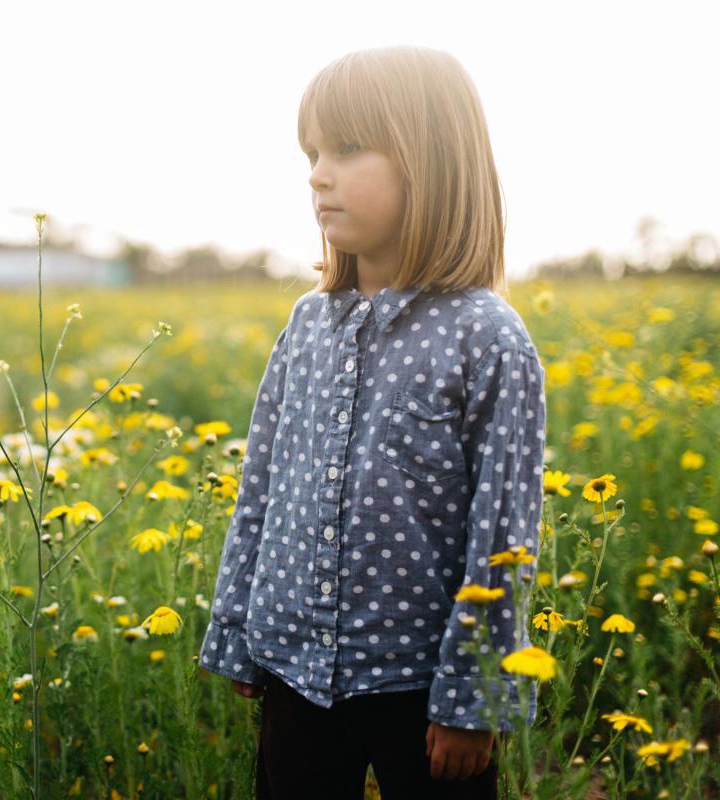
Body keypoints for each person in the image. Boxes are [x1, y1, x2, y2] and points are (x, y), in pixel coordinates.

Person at [197, 46, 548, 800]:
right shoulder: (308, 322)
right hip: (293, 671)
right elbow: (260, 484)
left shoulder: (486, 336)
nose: (319, 173)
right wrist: (237, 629)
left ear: (432, 164)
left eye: (347, 149)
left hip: (420, 691)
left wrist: (473, 697)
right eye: (313, 152)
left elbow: (503, 535)